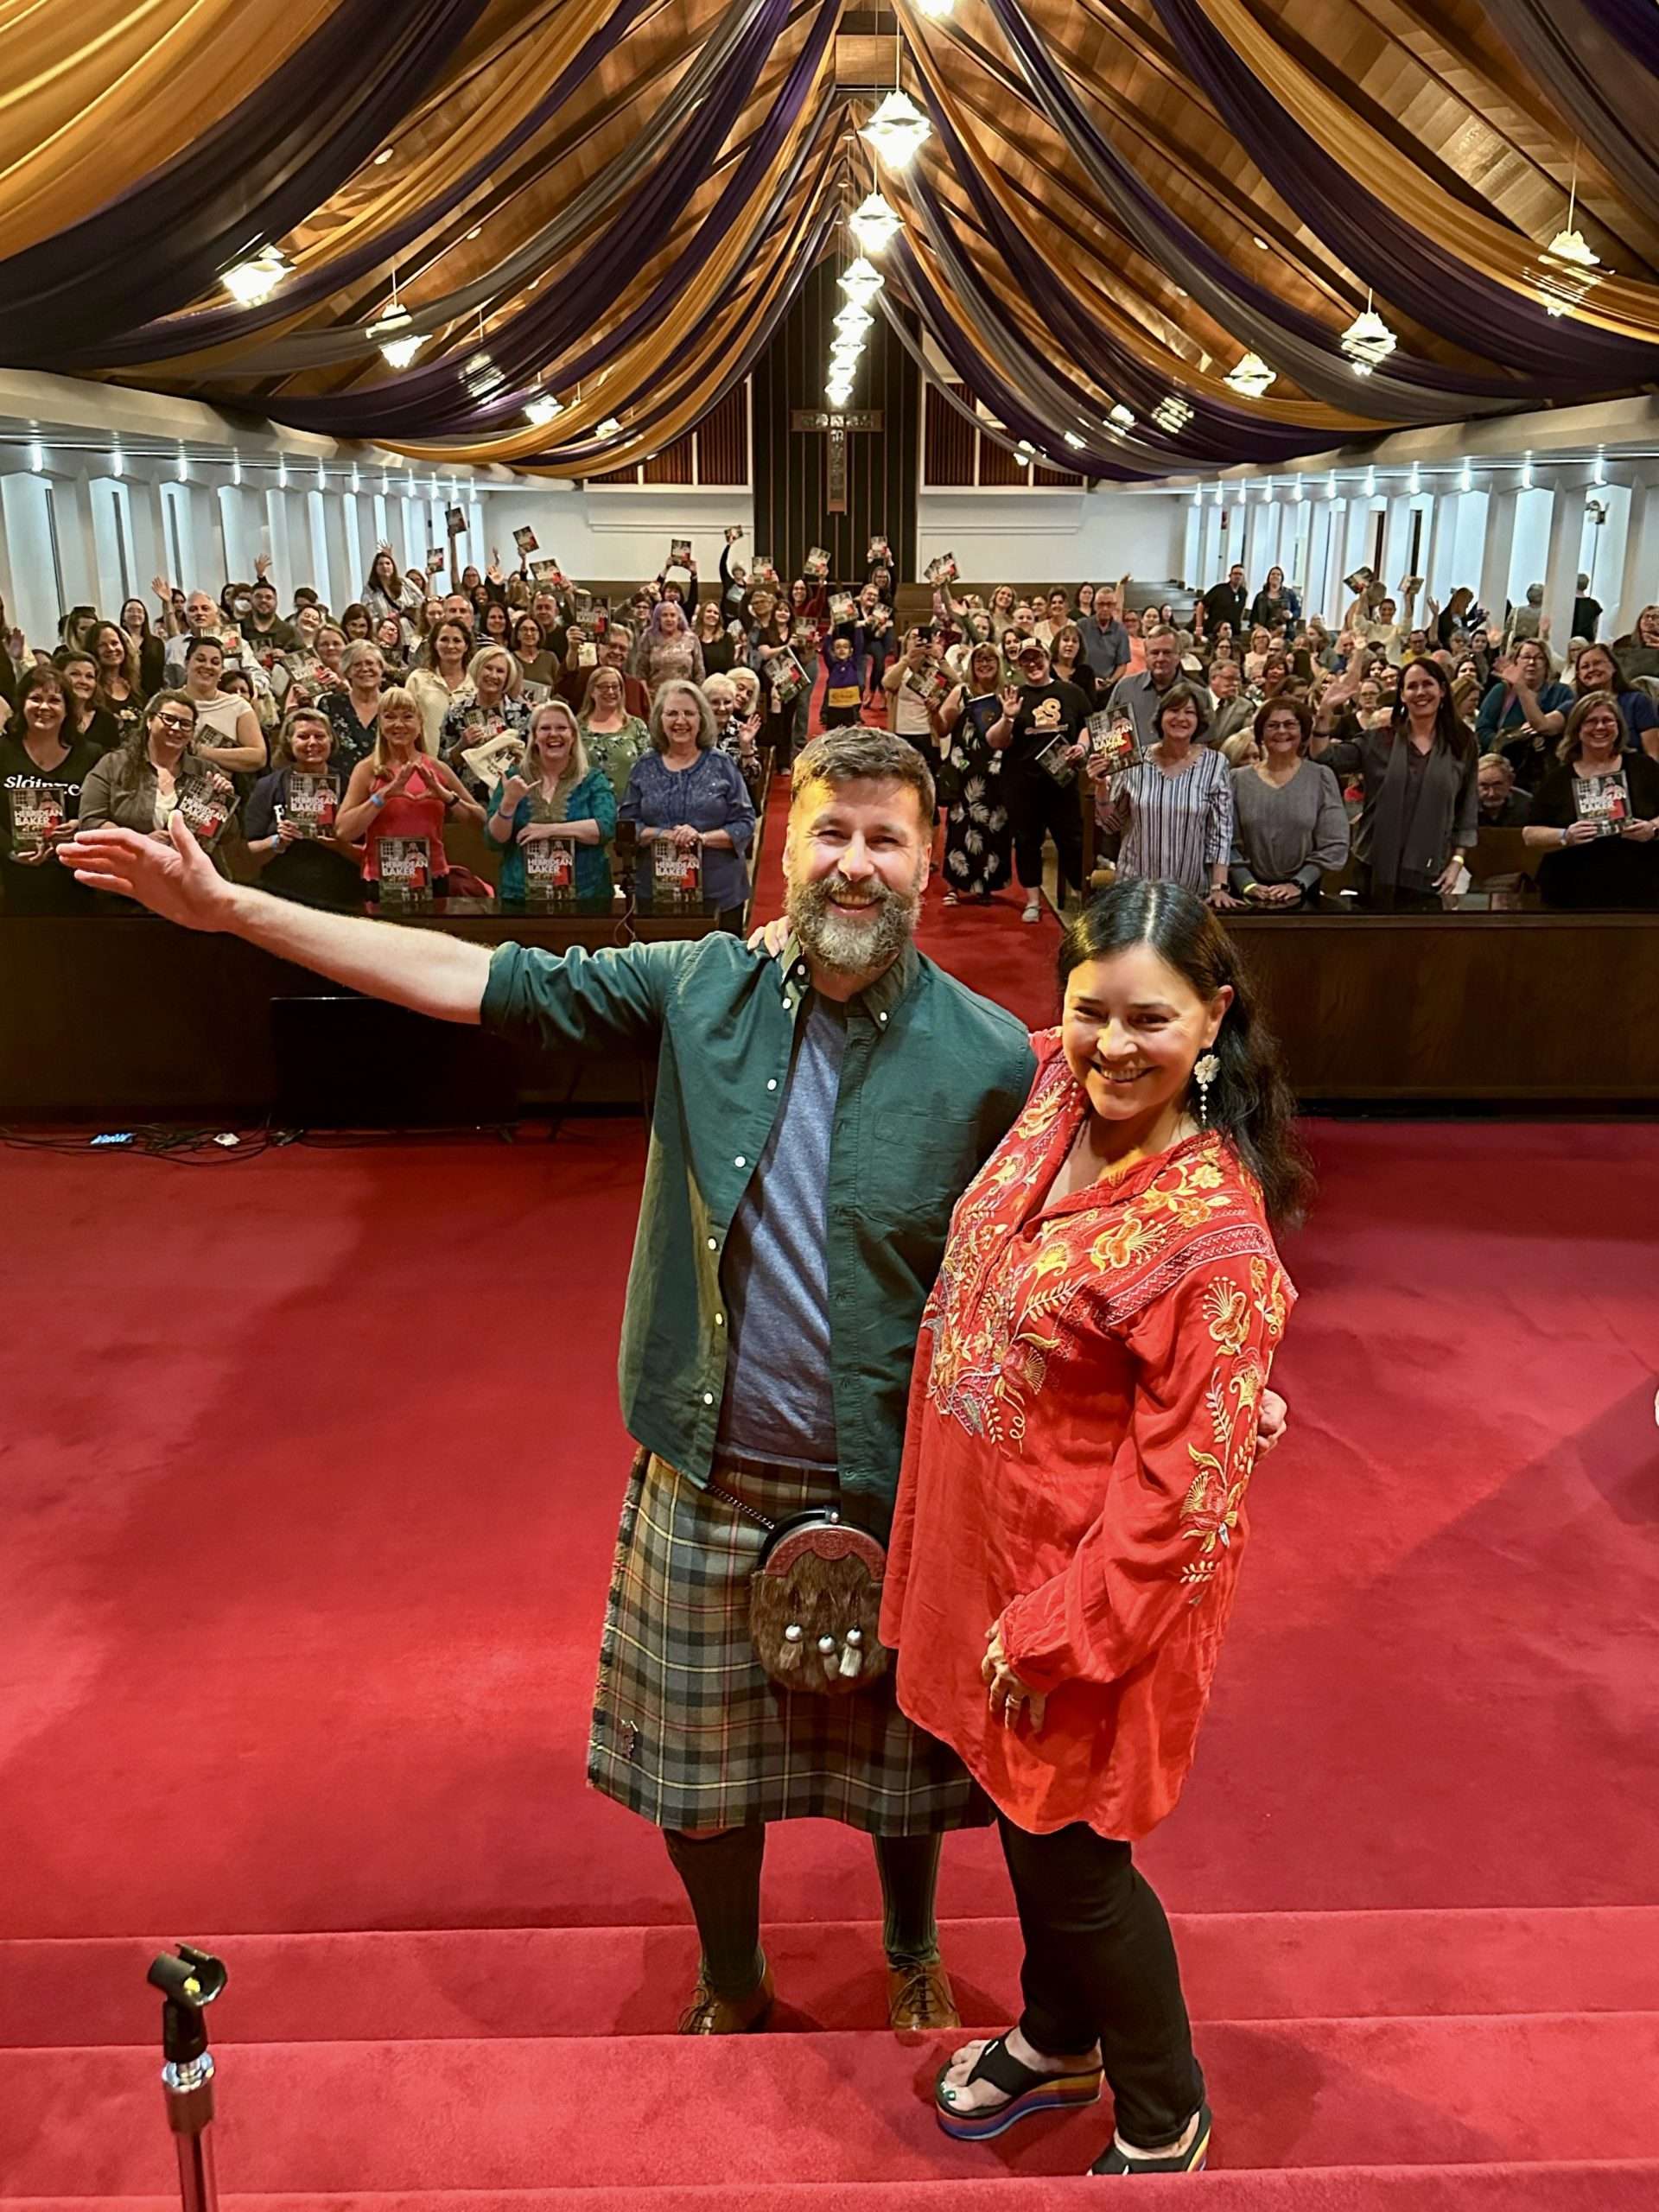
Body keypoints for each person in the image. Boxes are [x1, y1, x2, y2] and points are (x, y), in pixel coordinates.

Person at [58, 729, 1292, 2044]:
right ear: (781, 853)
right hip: (710, 1466)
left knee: (909, 1773)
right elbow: (479, 978)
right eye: (830, 832)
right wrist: (233, 910)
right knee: (698, 1783)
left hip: (900, 1477)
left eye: (886, 838)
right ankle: (732, 1975)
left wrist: (1227, 1384)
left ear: (930, 862)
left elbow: (1133, 1183)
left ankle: (913, 1942)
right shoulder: (701, 984)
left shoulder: (998, 1057)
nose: (856, 864)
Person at [888, 881, 1300, 2179]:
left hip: (1088, 1603)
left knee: (1076, 1862)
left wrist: (1059, 1631)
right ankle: (1059, 2036)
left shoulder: (1215, 1237)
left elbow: (1184, 1504)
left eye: (1151, 1021)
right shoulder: (1056, 1090)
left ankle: (1165, 2109)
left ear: (1213, 1018)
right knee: (1028, 1825)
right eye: (1091, 1011)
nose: (1114, 1047)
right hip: (988, 1557)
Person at [1312, 658, 1478, 909]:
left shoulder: (1462, 742)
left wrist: (1457, 861)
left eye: (1427, 684)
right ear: (1401, 695)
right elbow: (1324, 757)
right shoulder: (1379, 740)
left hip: (1431, 870)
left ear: (1442, 690)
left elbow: (1467, 808)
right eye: (1412, 686)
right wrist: (1325, 711)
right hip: (1374, 868)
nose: (1420, 692)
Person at [619, 680, 753, 927]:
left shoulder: (722, 764)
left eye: (689, 713)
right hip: (656, 895)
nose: (680, 721)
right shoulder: (644, 767)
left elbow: (745, 824)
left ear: (701, 719)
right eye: (672, 713)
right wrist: (663, 835)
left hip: (720, 893)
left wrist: (701, 838)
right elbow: (626, 826)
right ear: (659, 719)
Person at [335, 685, 485, 900]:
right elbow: (343, 831)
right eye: (390, 717)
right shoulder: (367, 769)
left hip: (433, 879)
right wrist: (383, 795)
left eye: (407, 717)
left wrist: (447, 797)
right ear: (380, 723)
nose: (399, 724)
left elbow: (481, 822)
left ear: (420, 722)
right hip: (382, 881)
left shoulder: (437, 768)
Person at [1092, 683, 1233, 905]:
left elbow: (1221, 831)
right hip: (1135, 889)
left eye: (1189, 712)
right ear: (1161, 717)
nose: (1181, 718)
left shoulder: (1216, 763)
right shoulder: (1134, 761)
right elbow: (1112, 825)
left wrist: (1219, 886)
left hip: (1189, 892)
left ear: (1199, 721)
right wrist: (1101, 786)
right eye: (1174, 710)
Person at [1522, 692, 1659, 909]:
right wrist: (1565, 836)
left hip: (1641, 887)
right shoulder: (1557, 778)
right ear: (1577, 729)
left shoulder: (1645, 768)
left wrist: (1653, 828)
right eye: (1591, 721)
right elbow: (1530, 834)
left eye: (1608, 720)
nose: (1600, 727)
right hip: (1571, 890)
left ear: (1619, 727)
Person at [77, 693, 234, 876]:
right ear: (149, 721)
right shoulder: (113, 764)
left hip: (189, 877)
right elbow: (91, 821)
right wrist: (140, 842)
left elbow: (227, 836)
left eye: (185, 724)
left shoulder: (206, 770)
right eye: (169, 719)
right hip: (127, 873)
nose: (176, 728)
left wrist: (223, 804)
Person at [988, 637, 1088, 922]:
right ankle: (1032, 900)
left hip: (1062, 783)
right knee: (1026, 841)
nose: (1032, 664)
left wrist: (1082, 747)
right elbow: (995, 741)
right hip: (1022, 783)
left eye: (1037, 657)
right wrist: (1008, 718)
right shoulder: (1013, 696)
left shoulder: (1071, 692)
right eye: (1026, 660)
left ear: (1047, 657)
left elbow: (1088, 725)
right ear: (1019, 664)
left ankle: (1082, 896)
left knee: (1072, 841)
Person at [1219, 697, 1349, 909]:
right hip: (1246, 896)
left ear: (1303, 731)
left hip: (1304, 895)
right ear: (1260, 733)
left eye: (1289, 724)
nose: (1281, 731)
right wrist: (1247, 883)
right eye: (1272, 725)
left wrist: (1299, 883)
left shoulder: (1321, 777)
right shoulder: (1236, 779)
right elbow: (1224, 840)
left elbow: (1335, 843)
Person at [484, 698, 616, 905]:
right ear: (534, 737)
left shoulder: (592, 780)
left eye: (561, 728)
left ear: (573, 736)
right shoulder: (513, 779)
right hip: (520, 898)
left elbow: (605, 828)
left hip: (587, 897)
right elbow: (494, 840)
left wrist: (549, 830)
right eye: (545, 728)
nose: (553, 734)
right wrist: (509, 803)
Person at [0, 664, 105, 913]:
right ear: (21, 704)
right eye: (35, 699)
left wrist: (80, 825)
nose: (44, 707)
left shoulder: (92, 755)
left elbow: (104, 812)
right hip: (9, 879)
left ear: (68, 709)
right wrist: (10, 850)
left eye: (54, 700)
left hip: (74, 880)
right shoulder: (3, 751)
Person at [243, 705, 360, 910]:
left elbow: (366, 854)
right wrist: (277, 841)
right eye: (303, 736)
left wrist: (340, 844)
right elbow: (248, 855)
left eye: (319, 736)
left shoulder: (350, 785)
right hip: (282, 894)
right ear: (289, 741)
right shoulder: (268, 786)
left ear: (331, 740)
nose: (312, 743)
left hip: (340, 895)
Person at [938, 642, 1014, 905]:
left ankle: (986, 886)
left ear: (998, 664)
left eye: (989, 659)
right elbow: (943, 728)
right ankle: (954, 886)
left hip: (996, 770)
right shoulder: (961, 692)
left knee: (994, 828)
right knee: (960, 829)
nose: (984, 664)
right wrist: (932, 711)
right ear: (971, 665)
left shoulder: (1006, 693)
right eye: (979, 660)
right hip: (964, 772)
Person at [1105, 627, 1214, 750]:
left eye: (1167, 652)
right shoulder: (1125, 688)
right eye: (1154, 653)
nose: (1160, 658)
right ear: (1146, 656)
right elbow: (1108, 733)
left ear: (1179, 655)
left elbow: (1203, 745)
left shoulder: (1199, 695)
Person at [178, 635, 267, 778]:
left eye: (215, 662)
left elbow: (259, 757)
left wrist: (201, 752)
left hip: (222, 788)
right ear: (187, 664)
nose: (207, 666)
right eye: (200, 659)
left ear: (221, 671)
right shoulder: (167, 702)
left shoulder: (238, 706)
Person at [1474, 640, 1572, 766]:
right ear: (1516, 662)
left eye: (1539, 658)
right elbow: (1482, 729)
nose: (1532, 662)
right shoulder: (1502, 691)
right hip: (1505, 765)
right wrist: (1508, 743)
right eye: (1526, 657)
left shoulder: (1562, 692)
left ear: (1547, 664)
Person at [441, 645, 531, 779]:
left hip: (509, 790)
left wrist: (521, 760)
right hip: (464, 791)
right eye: (488, 668)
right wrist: (461, 745)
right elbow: (443, 766)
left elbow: (536, 762)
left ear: (507, 677)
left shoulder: (523, 713)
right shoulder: (456, 712)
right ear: (478, 669)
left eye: (500, 671)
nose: (493, 675)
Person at [579, 664, 652, 807]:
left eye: (615, 686)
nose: (610, 691)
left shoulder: (636, 726)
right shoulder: (576, 727)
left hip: (629, 809)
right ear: (592, 691)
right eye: (603, 687)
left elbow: (649, 769)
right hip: (587, 808)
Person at [410, 616, 475, 751]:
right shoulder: (418, 680)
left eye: (457, 640)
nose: (450, 646)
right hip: (428, 760)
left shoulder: (477, 682)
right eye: (444, 640)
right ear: (435, 644)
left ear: (466, 646)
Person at [327, 642, 391, 773]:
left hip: (387, 779)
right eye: (357, 665)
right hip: (341, 781)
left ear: (381, 668)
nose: (365, 669)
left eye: (370, 663)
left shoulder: (393, 704)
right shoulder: (330, 704)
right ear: (347, 672)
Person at [632, 598, 705, 695]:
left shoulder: (691, 638)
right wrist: (646, 697)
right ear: (658, 618)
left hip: (685, 696)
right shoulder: (648, 637)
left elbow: (699, 672)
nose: (669, 619)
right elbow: (640, 672)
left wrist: (696, 695)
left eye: (673, 615)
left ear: (679, 618)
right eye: (665, 615)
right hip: (655, 697)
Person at [55, 649, 120, 757]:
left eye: (89, 676)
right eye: (75, 674)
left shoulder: (105, 719)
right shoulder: (50, 715)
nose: (83, 681)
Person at [90, 621, 147, 745]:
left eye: (115, 643)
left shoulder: (134, 686)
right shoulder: (91, 689)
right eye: (102, 645)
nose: (111, 649)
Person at [1077, 584, 1130, 688]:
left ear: (1114, 606)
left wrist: (1110, 682)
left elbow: (1122, 664)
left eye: (1109, 604)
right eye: (1101, 604)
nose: (1105, 608)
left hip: (1109, 685)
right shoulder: (1082, 625)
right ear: (1094, 605)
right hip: (1083, 684)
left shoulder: (1121, 631)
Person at [362, 547, 423, 626]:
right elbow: (369, 616)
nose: (384, 566)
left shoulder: (405, 583)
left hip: (410, 628)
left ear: (393, 566)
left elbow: (422, 603)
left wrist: (409, 611)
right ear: (375, 568)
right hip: (387, 630)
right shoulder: (370, 590)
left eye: (388, 563)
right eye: (380, 564)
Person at [1198, 564, 1249, 641]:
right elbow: (1201, 605)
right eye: (1235, 574)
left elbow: (1242, 610)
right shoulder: (1219, 589)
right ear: (1230, 576)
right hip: (1215, 631)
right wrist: (1199, 626)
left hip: (1233, 632)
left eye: (1240, 574)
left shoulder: (1243, 592)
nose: (1238, 576)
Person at [1249, 564, 1292, 632]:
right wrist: (1261, 630)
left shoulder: (1289, 594)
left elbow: (1297, 611)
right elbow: (1253, 618)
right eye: (1273, 574)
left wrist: (1291, 615)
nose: (1275, 576)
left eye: (1278, 574)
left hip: (1284, 632)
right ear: (1268, 577)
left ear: (1282, 579)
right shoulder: (1260, 596)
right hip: (1263, 632)